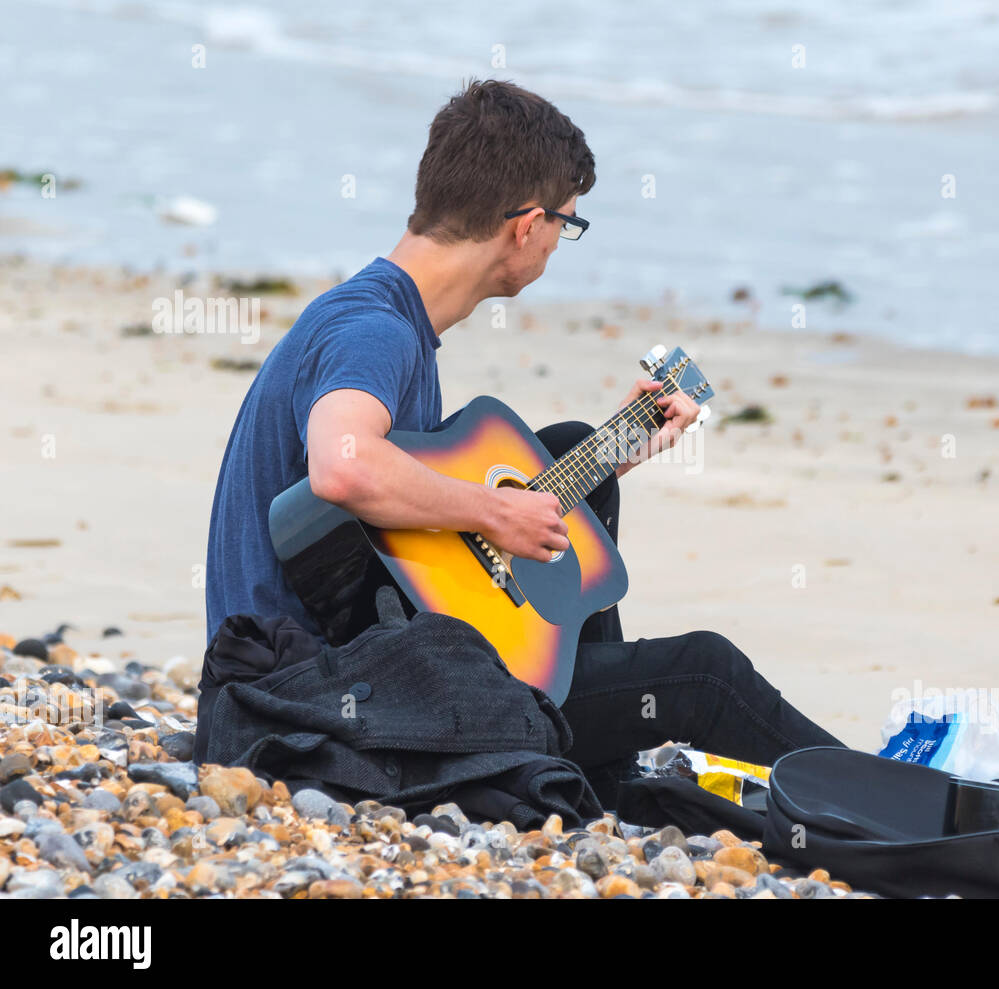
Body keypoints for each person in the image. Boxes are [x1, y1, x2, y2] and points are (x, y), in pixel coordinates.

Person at [204, 78, 843, 807]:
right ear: (527, 226)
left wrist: (618, 447)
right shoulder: (373, 329)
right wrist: (493, 512)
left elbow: (404, 543)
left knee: (574, 451)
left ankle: (606, 769)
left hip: (341, 663)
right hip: (315, 699)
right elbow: (342, 468)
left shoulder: (388, 318)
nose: (558, 242)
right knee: (706, 672)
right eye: (567, 226)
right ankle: (882, 794)